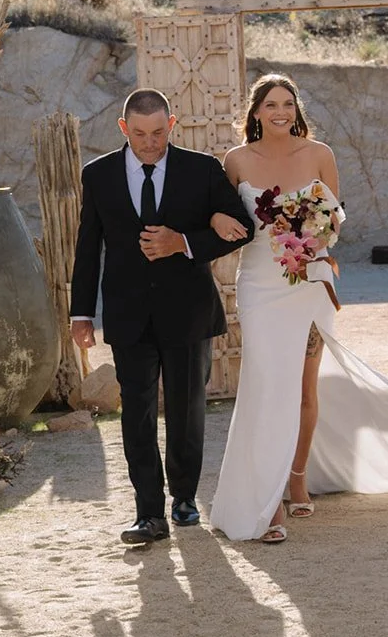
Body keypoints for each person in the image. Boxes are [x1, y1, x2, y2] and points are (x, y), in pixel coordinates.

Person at [208, 73, 388, 543]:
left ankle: (297, 476)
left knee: (305, 389)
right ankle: (266, 500)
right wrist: (216, 217)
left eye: (288, 104)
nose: (280, 112)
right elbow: (219, 215)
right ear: (254, 112)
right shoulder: (234, 161)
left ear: (296, 110)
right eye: (270, 104)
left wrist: (311, 238)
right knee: (266, 386)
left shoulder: (320, 154)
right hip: (258, 285)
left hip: (310, 281)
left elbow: (334, 219)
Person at [70, 88, 253, 547]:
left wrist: (186, 243)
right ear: (123, 128)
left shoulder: (203, 170)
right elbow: (89, 247)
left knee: (187, 409)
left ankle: (185, 499)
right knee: (136, 413)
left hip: (188, 310)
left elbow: (241, 228)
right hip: (128, 313)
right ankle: (148, 512)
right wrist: (80, 313)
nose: (149, 142)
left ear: (172, 125)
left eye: (157, 133)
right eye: (139, 134)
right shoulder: (98, 175)